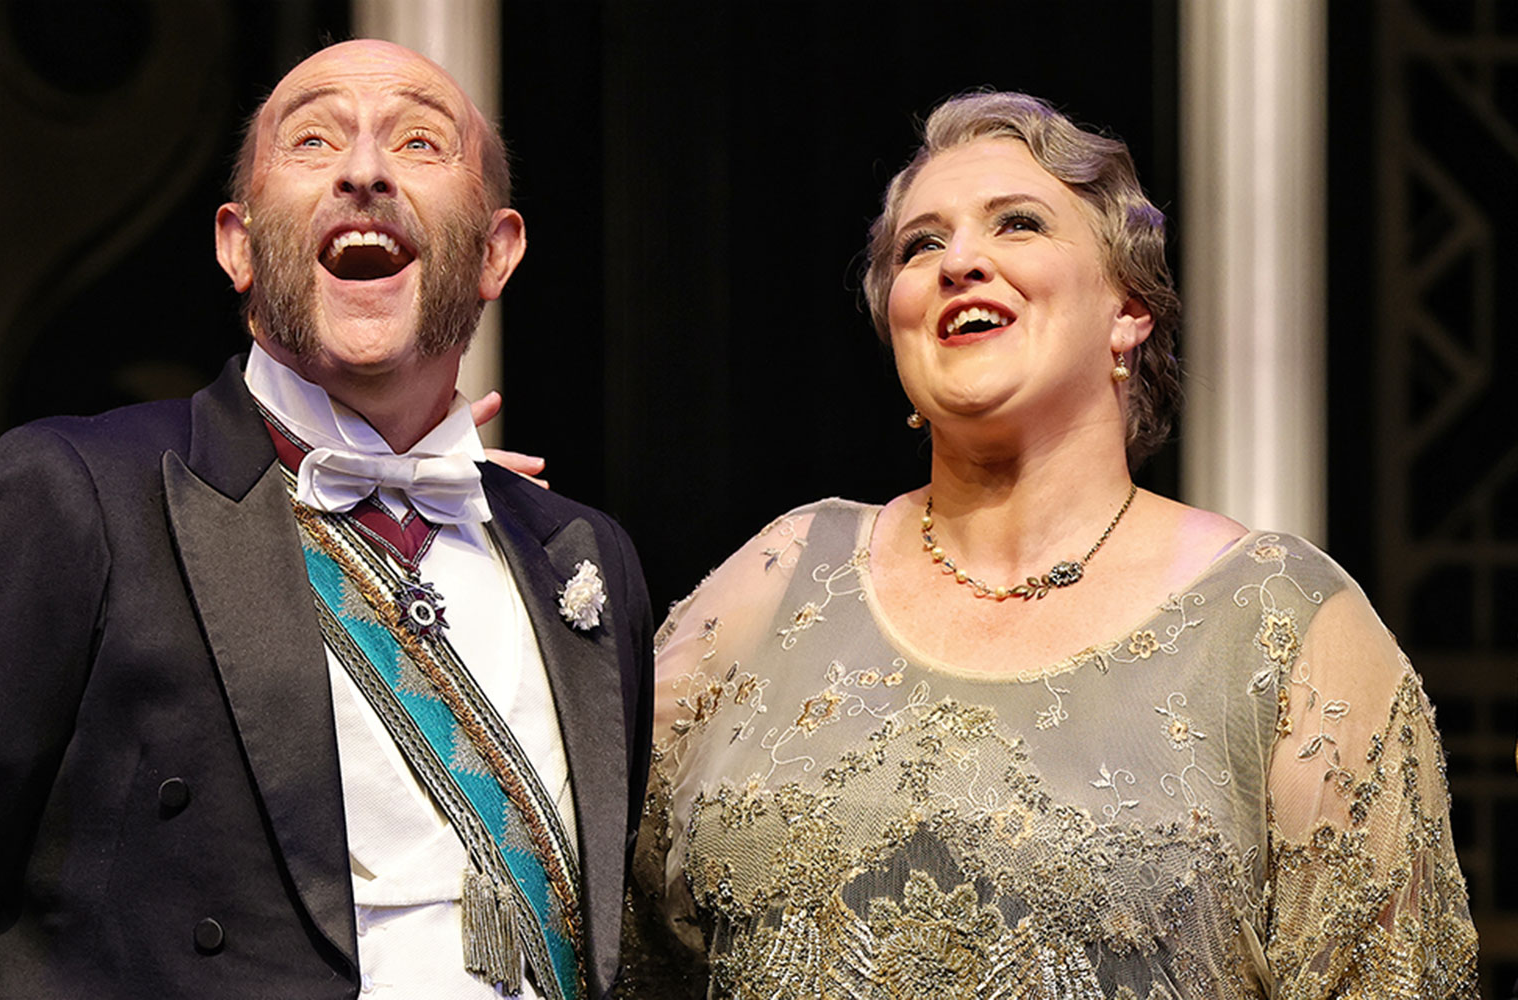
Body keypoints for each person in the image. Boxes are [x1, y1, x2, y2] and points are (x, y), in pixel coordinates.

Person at [622, 92, 1477, 999]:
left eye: (1018, 224)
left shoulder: (1281, 623)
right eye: (920, 245)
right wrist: (510, 549)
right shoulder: (782, 575)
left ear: (1128, 309)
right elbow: (591, 913)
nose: (959, 262)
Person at [0, 40, 653, 1000]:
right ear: (238, 245)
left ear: (494, 252)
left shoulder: (582, 560)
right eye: (313, 140)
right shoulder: (77, 498)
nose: (364, 169)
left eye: (419, 142)